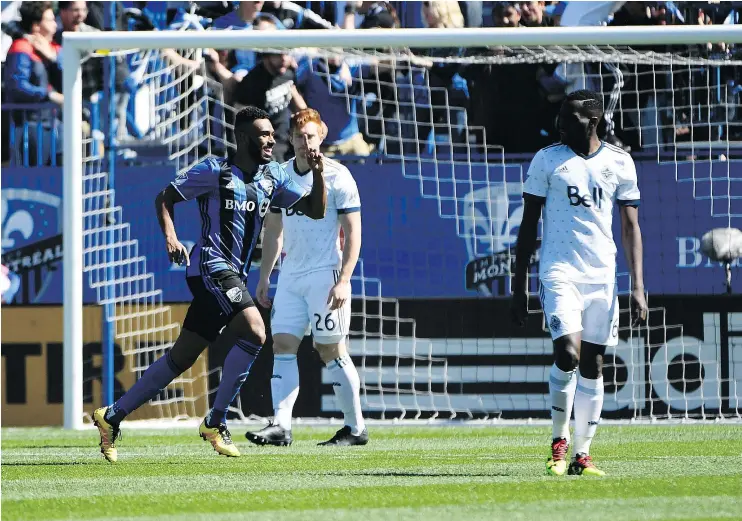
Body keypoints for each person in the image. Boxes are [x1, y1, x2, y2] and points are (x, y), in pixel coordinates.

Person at [92, 106, 327, 462]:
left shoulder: (272, 177)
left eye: (271, 133)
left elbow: (315, 208)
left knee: (182, 357)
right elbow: (165, 197)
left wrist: (319, 173)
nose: (271, 139)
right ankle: (215, 421)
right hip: (209, 267)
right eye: (263, 134)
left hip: (232, 273)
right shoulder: (214, 171)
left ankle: (112, 416)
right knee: (255, 332)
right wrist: (171, 237)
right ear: (243, 137)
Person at [511, 90, 647, 477]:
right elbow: (527, 226)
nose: (560, 123)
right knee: (568, 354)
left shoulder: (620, 162)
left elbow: (631, 226)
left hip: (602, 277)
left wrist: (637, 286)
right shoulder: (547, 159)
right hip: (560, 272)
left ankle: (582, 455)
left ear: (593, 120)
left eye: (568, 116)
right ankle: (559, 441)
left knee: (594, 364)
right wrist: (518, 286)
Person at [246, 108, 367, 447]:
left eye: (310, 136)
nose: (304, 142)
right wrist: (265, 277)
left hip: (324, 276)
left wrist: (344, 279)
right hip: (290, 276)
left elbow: (353, 233)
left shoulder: (339, 177)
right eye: (299, 136)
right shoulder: (279, 176)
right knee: (283, 345)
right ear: (291, 139)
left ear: (321, 138)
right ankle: (281, 426)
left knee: (329, 349)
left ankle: (356, 429)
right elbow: (273, 231)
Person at [233, 33, 307, 163]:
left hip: (289, 140)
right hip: (268, 146)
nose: (284, 59)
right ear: (267, 57)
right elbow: (240, 118)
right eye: (279, 55)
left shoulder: (288, 73)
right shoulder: (252, 81)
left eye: (287, 54)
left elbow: (298, 103)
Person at [5, 1, 62, 165]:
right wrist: (49, 95)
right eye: (50, 20)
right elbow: (17, 86)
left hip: (53, 125)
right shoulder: (21, 48)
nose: (55, 25)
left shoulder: (54, 49)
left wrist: (53, 60)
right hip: (29, 128)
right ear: (37, 26)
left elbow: (68, 81)